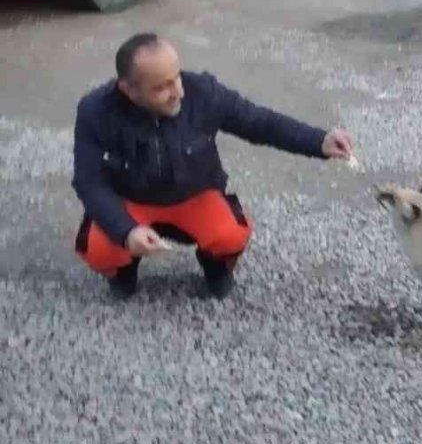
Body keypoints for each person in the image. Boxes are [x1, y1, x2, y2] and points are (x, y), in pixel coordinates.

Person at [73, 32, 354, 298]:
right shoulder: (95, 111)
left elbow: (260, 122)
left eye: (177, 77)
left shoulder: (203, 93)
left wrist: (318, 141)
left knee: (231, 234)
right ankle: (123, 272)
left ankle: (215, 266)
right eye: (162, 87)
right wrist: (126, 231)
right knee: (99, 248)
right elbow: (89, 181)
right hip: (131, 202)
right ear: (128, 90)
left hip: (194, 196)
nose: (178, 92)